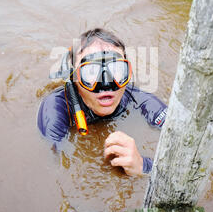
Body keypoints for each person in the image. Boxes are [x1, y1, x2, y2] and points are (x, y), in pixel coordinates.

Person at [37, 28, 167, 176]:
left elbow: (183, 139)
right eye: (91, 71)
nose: (106, 83)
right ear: (74, 77)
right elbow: (53, 163)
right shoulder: (56, 108)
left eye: (116, 68)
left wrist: (144, 166)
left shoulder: (140, 100)